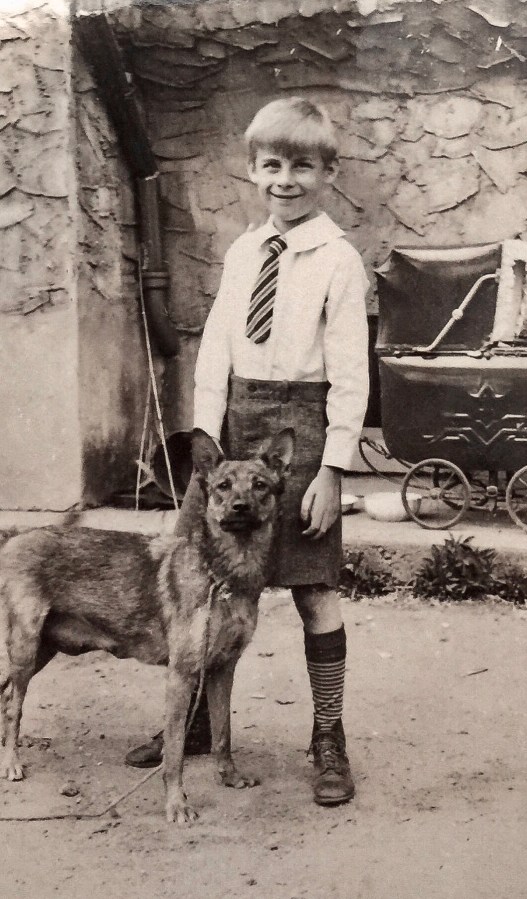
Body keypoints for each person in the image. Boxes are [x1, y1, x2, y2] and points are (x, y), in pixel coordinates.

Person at [126, 97, 370, 806]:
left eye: (301, 165)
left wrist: (330, 469)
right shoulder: (241, 251)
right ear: (252, 169)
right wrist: (204, 443)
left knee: (315, 588)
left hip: (300, 430)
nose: (284, 180)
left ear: (329, 171)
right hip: (232, 433)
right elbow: (215, 355)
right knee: (203, 586)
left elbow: (351, 370)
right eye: (271, 165)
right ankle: (200, 721)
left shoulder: (339, 260)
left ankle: (327, 734)